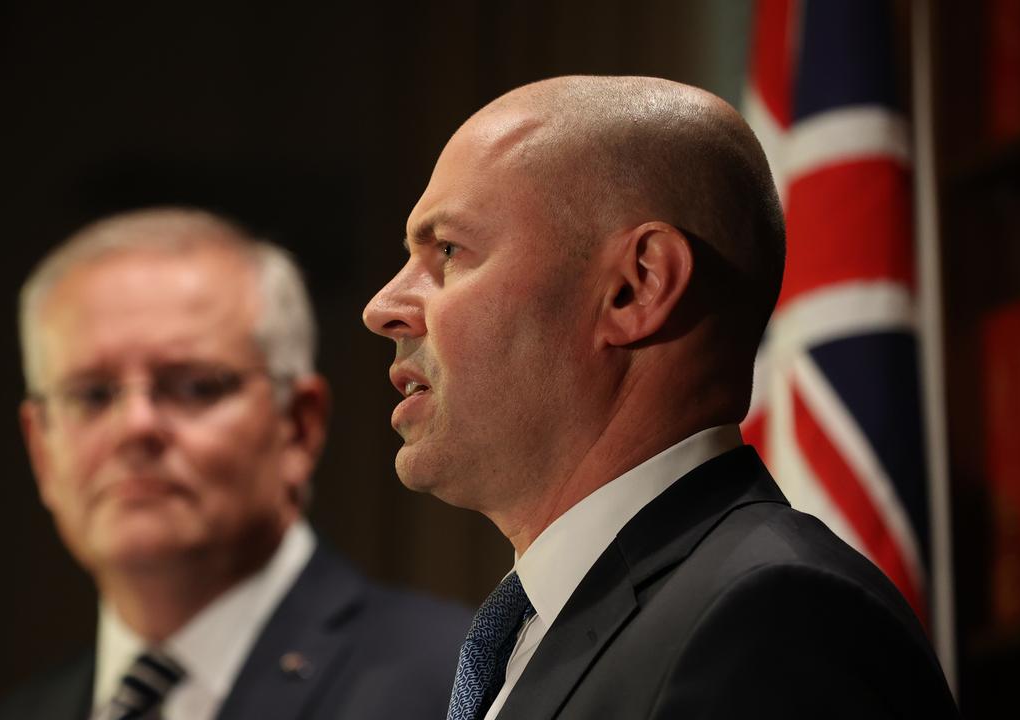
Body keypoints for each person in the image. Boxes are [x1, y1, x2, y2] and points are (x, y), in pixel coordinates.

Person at [363, 76, 958, 719]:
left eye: (448, 250)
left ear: (636, 287)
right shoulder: (542, 633)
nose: (382, 308)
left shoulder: (770, 622)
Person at [0, 207, 468, 720]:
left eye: (195, 386)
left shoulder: (458, 687)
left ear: (299, 425)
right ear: (41, 448)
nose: (136, 427)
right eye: (93, 394)